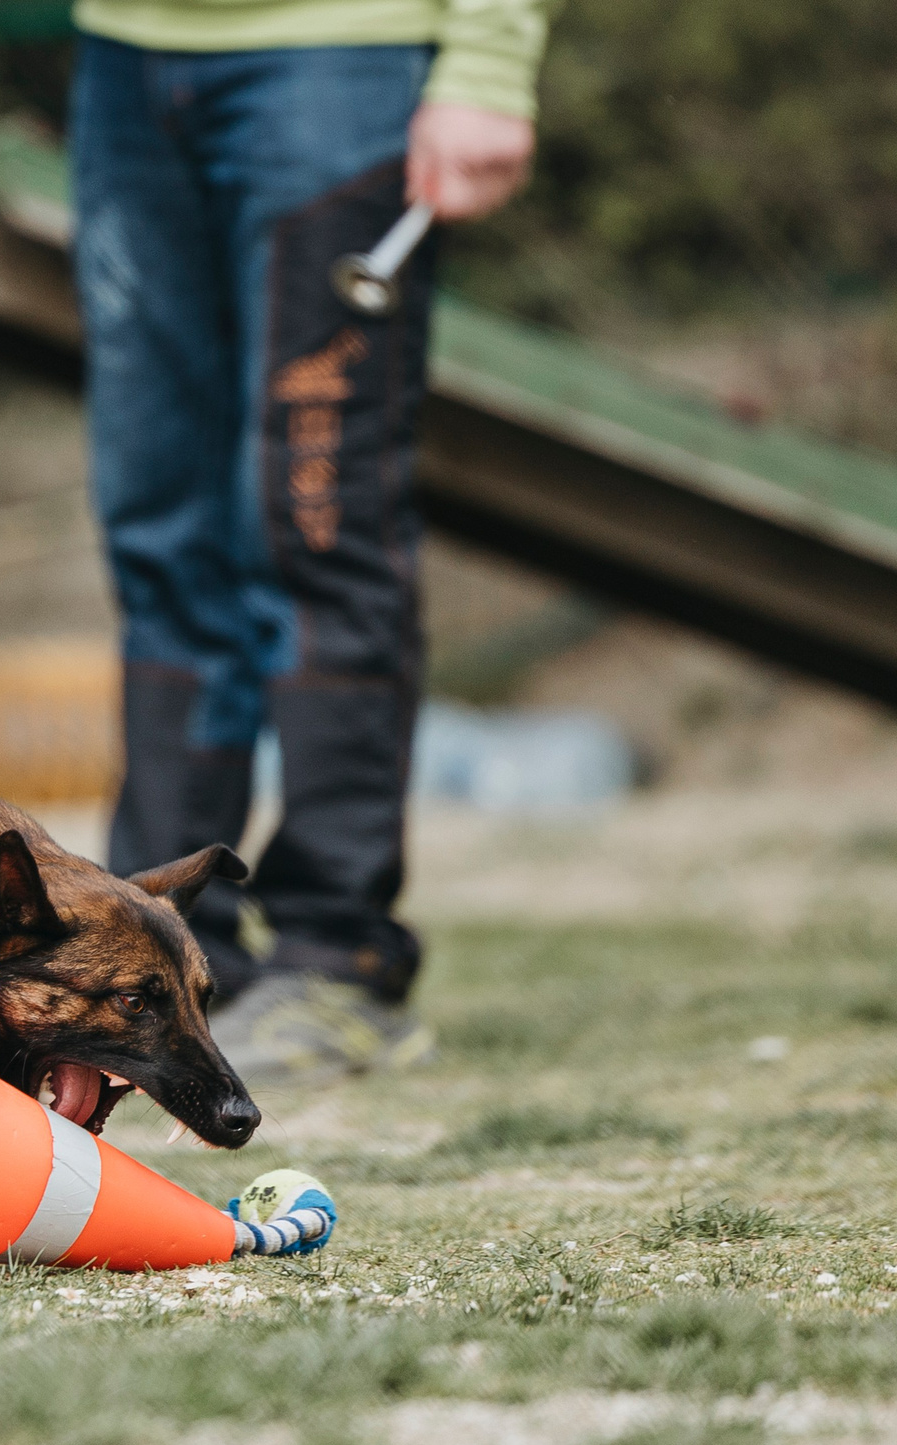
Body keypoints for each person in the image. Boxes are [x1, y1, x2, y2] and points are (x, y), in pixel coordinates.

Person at [70, 0, 549, 1086]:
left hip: (339, 55)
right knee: (158, 531)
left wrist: (490, 56)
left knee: (316, 526)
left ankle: (338, 955)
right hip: (123, 59)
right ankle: (156, 949)